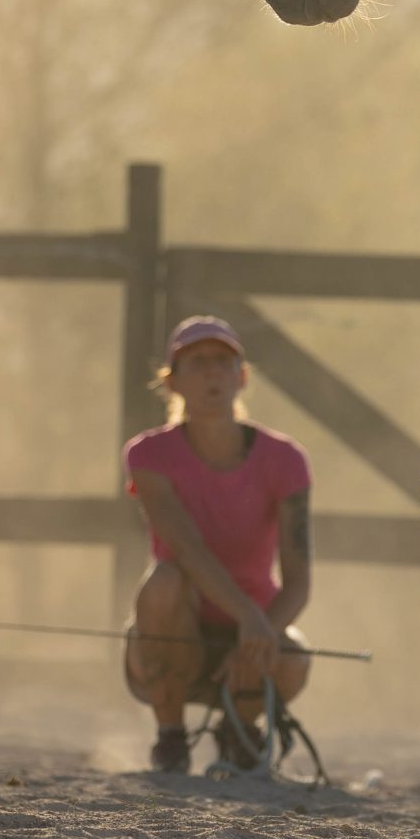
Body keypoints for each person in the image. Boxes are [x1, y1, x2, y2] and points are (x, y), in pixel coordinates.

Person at [122, 315, 314, 773]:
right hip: (176, 621)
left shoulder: (285, 459)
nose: (212, 373)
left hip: (252, 625)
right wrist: (249, 616)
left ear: (241, 377)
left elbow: (299, 580)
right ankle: (171, 735)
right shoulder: (147, 455)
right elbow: (185, 548)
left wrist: (260, 629)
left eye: (224, 363)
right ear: (172, 383)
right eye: (198, 363)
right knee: (164, 581)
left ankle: (240, 728)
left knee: (294, 653)